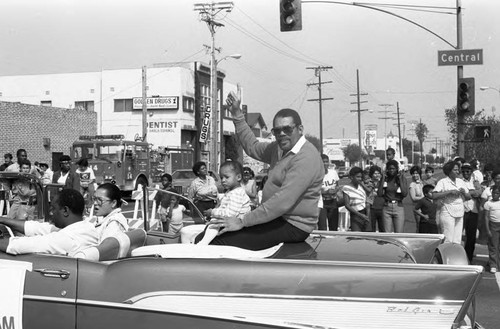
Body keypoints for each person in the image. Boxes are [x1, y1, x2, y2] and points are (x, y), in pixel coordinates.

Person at [207, 88, 324, 250]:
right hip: (276, 218)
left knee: (221, 242)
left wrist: (242, 221)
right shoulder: (279, 148)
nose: (281, 134)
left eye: (287, 129)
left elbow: (282, 202)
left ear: (300, 129)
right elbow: (252, 147)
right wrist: (236, 113)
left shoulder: (306, 157)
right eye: (277, 131)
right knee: (211, 233)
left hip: (294, 225)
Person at [0, 189, 98, 256]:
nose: (51, 212)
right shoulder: (87, 228)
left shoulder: (66, 239)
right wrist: (2, 219)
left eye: (53, 209)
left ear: (65, 211)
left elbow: (16, 245)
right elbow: (38, 228)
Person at [196, 161, 251, 245]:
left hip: (236, 227)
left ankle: (203, 243)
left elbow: (229, 214)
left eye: (226, 177)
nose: (223, 180)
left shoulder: (237, 193)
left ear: (238, 177)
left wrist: (213, 212)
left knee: (215, 221)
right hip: (232, 225)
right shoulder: (231, 192)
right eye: (221, 177)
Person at [432, 161, 471, 243]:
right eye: (455, 170)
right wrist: (449, 192)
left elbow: (468, 197)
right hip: (447, 211)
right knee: (448, 239)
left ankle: (455, 255)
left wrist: (464, 192)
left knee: (457, 240)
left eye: (458, 170)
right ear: (449, 171)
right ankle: (446, 255)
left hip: (459, 211)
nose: (458, 172)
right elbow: (434, 195)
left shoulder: (460, 181)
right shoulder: (443, 182)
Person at [377, 159, 408, 233]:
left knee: (399, 233)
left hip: (398, 207)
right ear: (387, 169)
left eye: (393, 168)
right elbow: (379, 194)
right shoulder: (385, 179)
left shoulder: (402, 178)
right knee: (387, 234)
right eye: (389, 169)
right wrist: (383, 178)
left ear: (397, 169)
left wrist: (400, 179)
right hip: (387, 207)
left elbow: (404, 194)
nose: (391, 170)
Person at [461, 162, 482, 262]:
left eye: (468, 171)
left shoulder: (475, 182)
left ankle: (468, 257)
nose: (465, 173)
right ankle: (458, 256)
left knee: (471, 237)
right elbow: (461, 194)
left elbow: (479, 192)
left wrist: (469, 193)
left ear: (471, 171)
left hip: (473, 211)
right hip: (462, 211)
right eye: (464, 171)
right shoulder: (459, 181)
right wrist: (471, 193)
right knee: (458, 235)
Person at [342, 167, 370, 232]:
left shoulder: (361, 187)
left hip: (365, 214)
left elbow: (367, 198)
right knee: (357, 237)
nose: (360, 179)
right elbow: (347, 205)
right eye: (357, 177)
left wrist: (367, 216)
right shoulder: (346, 188)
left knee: (367, 237)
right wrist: (360, 215)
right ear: (351, 177)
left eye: (361, 177)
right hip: (356, 215)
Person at [319, 154, 340, 231]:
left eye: (326, 161)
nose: (325, 164)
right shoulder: (316, 175)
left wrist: (335, 190)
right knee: (322, 226)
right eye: (323, 162)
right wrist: (326, 191)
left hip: (333, 201)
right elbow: (314, 189)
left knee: (334, 225)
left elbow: (338, 186)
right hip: (322, 202)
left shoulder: (333, 172)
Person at [484, 185, 500, 273]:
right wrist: (488, 230)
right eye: (493, 193)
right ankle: (493, 265)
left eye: (497, 193)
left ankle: (498, 264)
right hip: (493, 226)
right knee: (493, 245)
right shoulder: (488, 203)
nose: (495, 195)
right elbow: (486, 217)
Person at [368, 165, 385, 232]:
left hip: (382, 208)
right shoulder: (369, 183)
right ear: (371, 174)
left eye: (378, 173)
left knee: (382, 228)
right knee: (372, 228)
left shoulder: (383, 183)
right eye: (375, 173)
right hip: (372, 209)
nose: (377, 175)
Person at [409, 165, 424, 232]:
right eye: (413, 174)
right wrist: (424, 198)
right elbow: (413, 198)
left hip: (427, 207)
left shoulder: (423, 183)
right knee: (419, 226)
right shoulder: (412, 185)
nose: (415, 175)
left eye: (416, 173)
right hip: (418, 209)